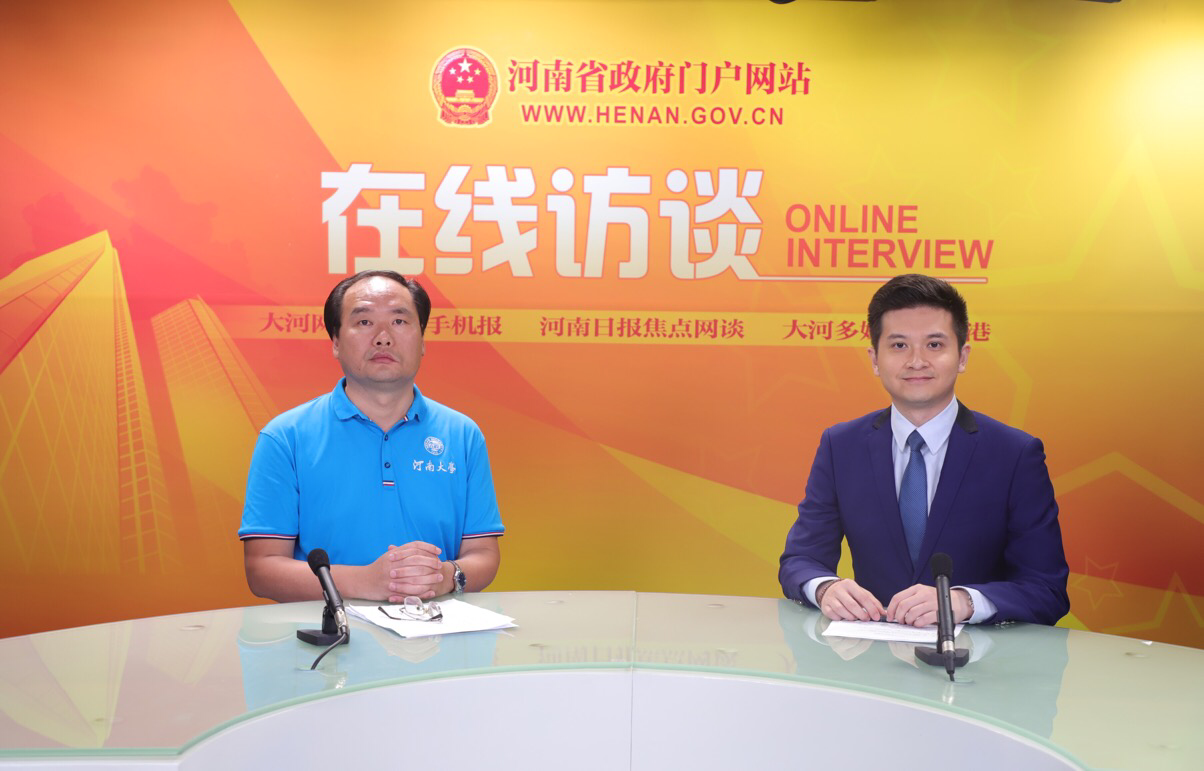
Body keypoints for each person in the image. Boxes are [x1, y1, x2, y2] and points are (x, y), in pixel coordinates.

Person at [778, 274, 1069, 626]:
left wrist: (964, 602)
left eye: (934, 344)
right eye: (899, 345)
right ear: (875, 359)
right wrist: (825, 588)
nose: (917, 361)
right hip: (870, 651)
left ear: (962, 356)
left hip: (975, 654)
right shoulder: (841, 446)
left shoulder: (1014, 454)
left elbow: (1047, 589)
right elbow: (800, 560)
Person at [239, 270, 503, 603]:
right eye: (364, 322)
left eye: (399, 321)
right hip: (327, 629)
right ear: (336, 342)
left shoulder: (462, 434)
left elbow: (483, 553)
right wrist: (365, 581)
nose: (383, 338)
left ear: (422, 340)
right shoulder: (285, 437)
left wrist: (445, 576)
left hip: (437, 627)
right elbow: (262, 569)